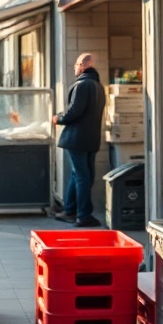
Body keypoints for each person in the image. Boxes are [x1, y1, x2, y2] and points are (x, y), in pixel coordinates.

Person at [52, 52, 106, 227]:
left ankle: (81, 215)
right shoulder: (98, 86)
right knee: (83, 176)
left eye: (76, 64)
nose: (74, 67)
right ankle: (70, 210)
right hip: (91, 139)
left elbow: (74, 111)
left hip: (77, 139)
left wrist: (58, 118)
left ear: (83, 65)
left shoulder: (82, 85)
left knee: (81, 176)